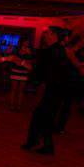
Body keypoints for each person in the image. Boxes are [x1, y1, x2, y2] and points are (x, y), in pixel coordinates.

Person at [22, 27, 70, 155]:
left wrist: (27, 66)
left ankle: (41, 144)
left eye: (47, 33)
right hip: (55, 90)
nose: (44, 35)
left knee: (43, 117)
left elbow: (42, 71)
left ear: (54, 35)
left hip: (51, 90)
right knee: (44, 117)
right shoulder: (59, 50)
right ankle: (39, 143)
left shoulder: (53, 51)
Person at [7, 38, 34, 111]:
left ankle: (19, 106)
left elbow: (31, 62)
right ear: (22, 42)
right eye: (25, 41)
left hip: (24, 72)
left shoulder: (30, 50)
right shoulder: (16, 49)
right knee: (13, 89)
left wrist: (29, 54)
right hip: (15, 70)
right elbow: (11, 57)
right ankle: (11, 105)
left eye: (28, 42)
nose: (27, 43)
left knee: (21, 90)